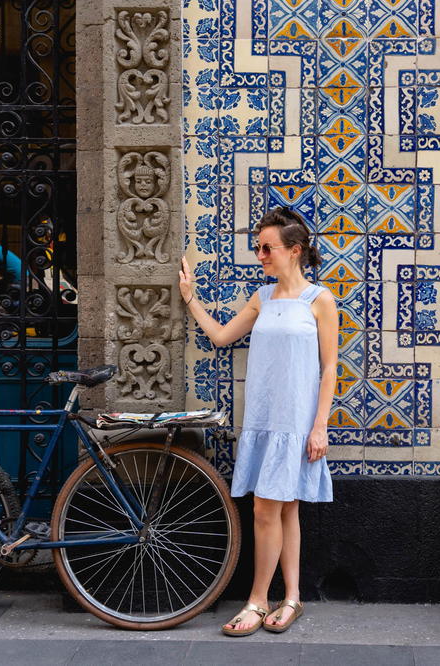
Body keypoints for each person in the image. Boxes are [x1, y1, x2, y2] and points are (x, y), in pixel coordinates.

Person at [178, 207, 338, 636]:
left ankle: (257, 601)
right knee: (282, 511)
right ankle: (291, 598)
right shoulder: (262, 298)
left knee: (270, 510)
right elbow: (223, 336)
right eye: (258, 247)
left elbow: (329, 368)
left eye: (267, 248)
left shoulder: (320, 300)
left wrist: (320, 424)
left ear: (294, 251)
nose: (260, 255)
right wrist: (191, 297)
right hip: (264, 420)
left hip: (298, 424)